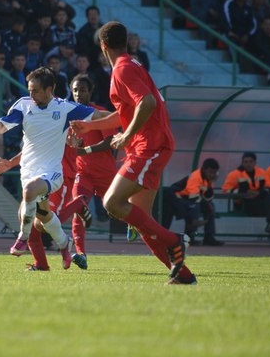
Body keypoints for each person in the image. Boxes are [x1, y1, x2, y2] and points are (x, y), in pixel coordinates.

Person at [70, 21, 197, 285]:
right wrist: (90, 126)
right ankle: (182, 274)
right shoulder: (131, 64)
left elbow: (146, 103)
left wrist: (127, 135)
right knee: (142, 222)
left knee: (112, 203)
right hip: (147, 146)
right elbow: (125, 113)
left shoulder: (122, 69)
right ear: (125, 42)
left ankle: (174, 240)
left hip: (148, 146)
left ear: (103, 46)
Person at [0, 66, 102, 270]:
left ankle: (22, 238)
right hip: (28, 171)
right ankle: (64, 244)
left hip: (53, 173)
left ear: (49, 90)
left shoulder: (64, 108)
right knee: (41, 216)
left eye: (35, 90)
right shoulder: (23, 105)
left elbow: (100, 115)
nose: (31, 94)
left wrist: (127, 116)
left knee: (30, 194)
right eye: (29, 89)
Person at [66, 74, 118, 269]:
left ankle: (140, 226)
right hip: (83, 173)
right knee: (78, 208)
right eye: (75, 90)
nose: (79, 94)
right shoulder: (69, 116)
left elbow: (110, 142)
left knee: (119, 210)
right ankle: (81, 254)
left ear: (90, 91)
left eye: (83, 90)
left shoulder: (99, 113)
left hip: (106, 173)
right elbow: (72, 144)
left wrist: (84, 149)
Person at [221, 151, 270, 238]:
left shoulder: (262, 172)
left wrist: (258, 193)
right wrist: (244, 193)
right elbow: (226, 190)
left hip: (259, 202)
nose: (248, 164)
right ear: (242, 162)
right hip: (244, 204)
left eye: (250, 161)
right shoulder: (234, 174)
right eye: (245, 162)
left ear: (255, 162)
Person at [173, 158, 225, 246]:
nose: (212, 175)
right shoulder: (195, 176)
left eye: (214, 172)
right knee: (194, 207)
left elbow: (208, 196)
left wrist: (210, 184)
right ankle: (190, 237)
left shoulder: (209, 179)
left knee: (210, 207)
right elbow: (193, 196)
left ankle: (209, 237)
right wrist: (207, 204)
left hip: (192, 199)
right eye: (210, 172)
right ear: (204, 170)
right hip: (179, 198)